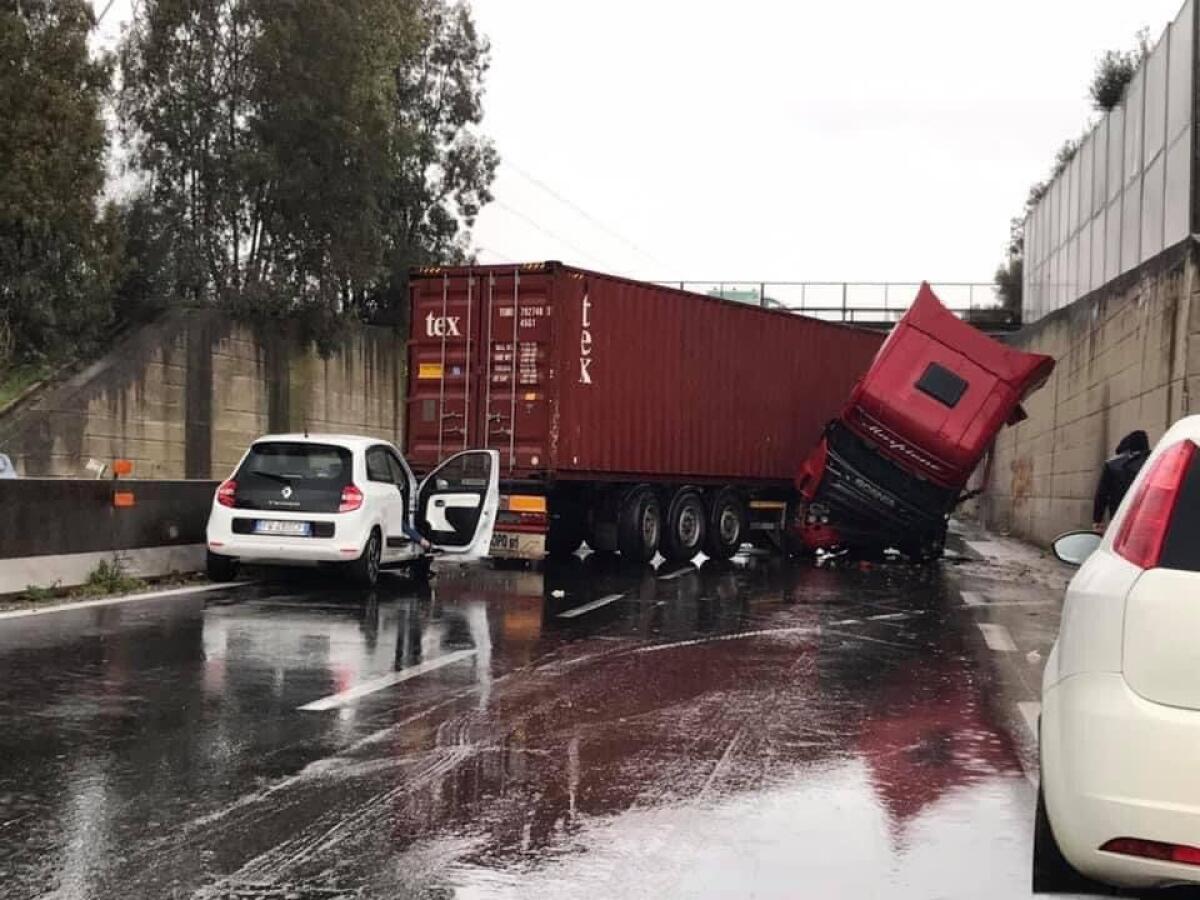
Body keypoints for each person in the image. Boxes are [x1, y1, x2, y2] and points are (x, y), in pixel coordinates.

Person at [1092, 430, 1151, 530]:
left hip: (1119, 521)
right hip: (1149, 521)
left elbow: (1101, 495)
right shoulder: (1157, 461)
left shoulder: (1112, 465)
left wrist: (1097, 520)